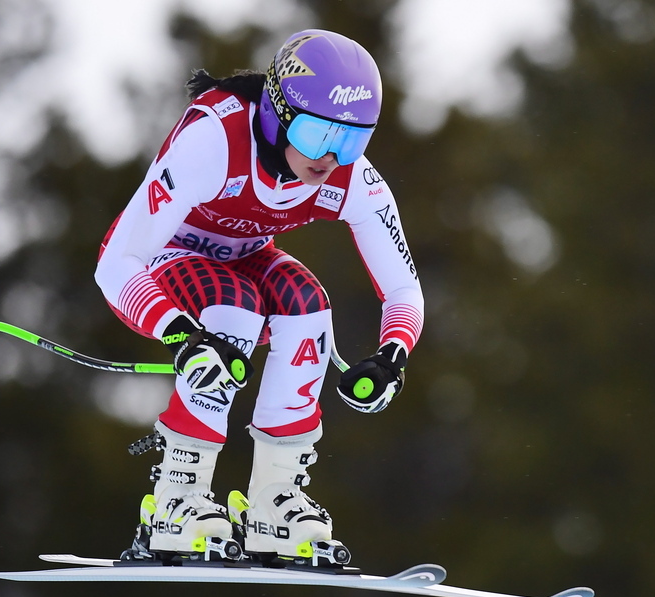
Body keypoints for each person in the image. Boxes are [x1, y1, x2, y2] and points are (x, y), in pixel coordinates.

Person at [95, 29, 423, 566]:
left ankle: (275, 502)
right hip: (162, 256)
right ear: (277, 113)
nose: (331, 159)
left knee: (306, 301)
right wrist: (180, 334)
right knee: (233, 307)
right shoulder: (215, 140)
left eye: (353, 140)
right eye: (319, 135)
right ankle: (177, 498)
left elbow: (403, 288)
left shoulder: (349, 178)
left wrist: (393, 356)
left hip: (246, 253)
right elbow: (116, 263)